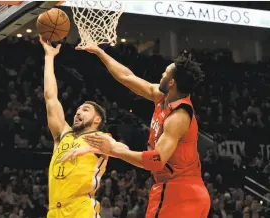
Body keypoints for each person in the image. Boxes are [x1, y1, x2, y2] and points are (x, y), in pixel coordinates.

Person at [64, 45, 211, 218]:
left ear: (171, 83)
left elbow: (156, 160)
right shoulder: (162, 96)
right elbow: (127, 77)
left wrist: (114, 150)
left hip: (177, 191)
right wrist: (100, 53)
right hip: (188, 190)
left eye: (165, 73)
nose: (161, 75)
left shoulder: (178, 117)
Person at [39, 36, 109, 218]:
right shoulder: (63, 135)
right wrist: (49, 57)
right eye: (78, 110)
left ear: (97, 120)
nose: (78, 113)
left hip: (81, 209)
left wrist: (87, 148)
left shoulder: (102, 138)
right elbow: (50, 97)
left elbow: (120, 149)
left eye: (85, 110)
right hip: (54, 211)